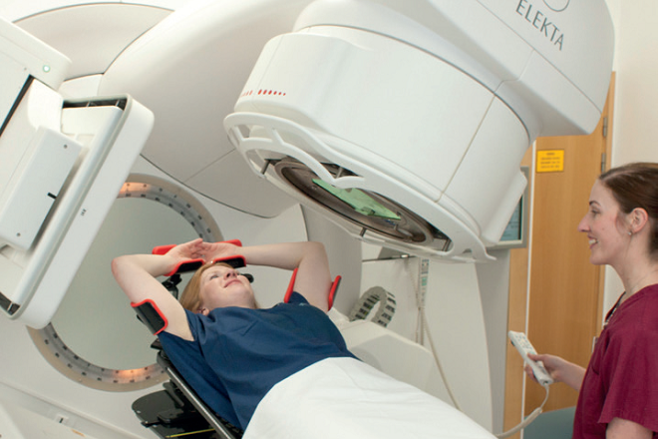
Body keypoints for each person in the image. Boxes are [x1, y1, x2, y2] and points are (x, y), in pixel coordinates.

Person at [112, 239, 496, 439]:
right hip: (302, 407)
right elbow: (125, 266)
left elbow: (311, 253)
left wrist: (236, 254)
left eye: (234, 272)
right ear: (200, 306)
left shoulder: (300, 311)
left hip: (377, 391)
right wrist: (178, 260)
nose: (228, 274)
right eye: (215, 278)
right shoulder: (200, 330)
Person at [526, 162, 658, 438]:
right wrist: (567, 372)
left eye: (595, 212)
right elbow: (632, 389)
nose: (582, 225)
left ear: (635, 221)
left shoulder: (640, 327)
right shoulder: (637, 302)